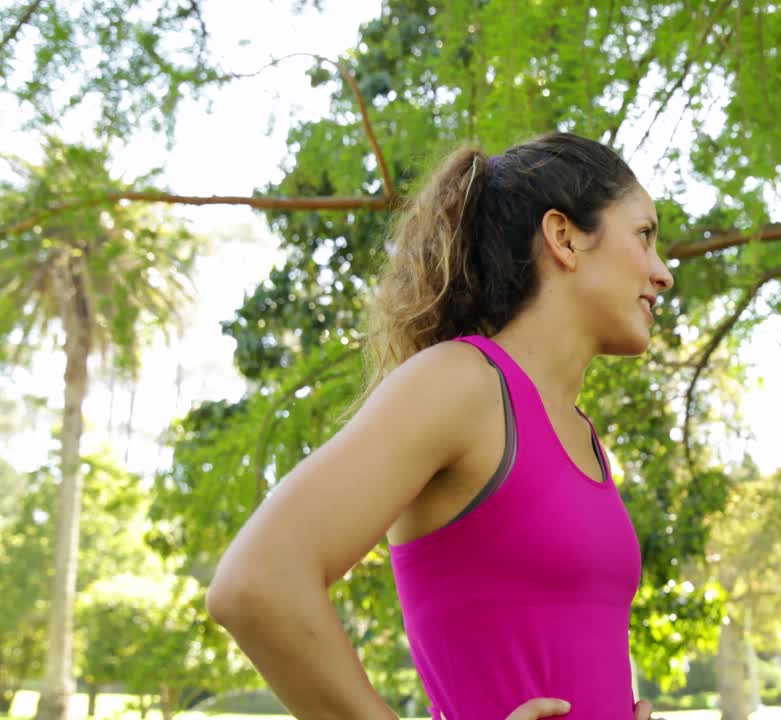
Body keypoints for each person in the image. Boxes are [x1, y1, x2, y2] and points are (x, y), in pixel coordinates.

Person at [207, 132, 675, 720]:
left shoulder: (585, 438)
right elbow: (256, 582)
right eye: (644, 235)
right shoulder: (462, 384)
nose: (663, 273)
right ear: (564, 237)